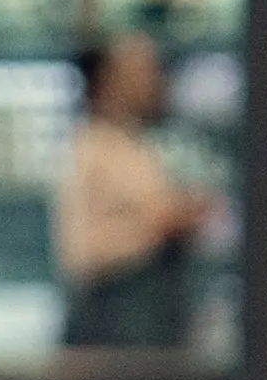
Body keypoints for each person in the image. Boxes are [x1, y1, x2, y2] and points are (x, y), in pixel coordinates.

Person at [57, 28, 216, 351]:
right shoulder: (92, 147)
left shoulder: (135, 144)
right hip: (114, 314)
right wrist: (168, 223)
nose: (152, 84)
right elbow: (85, 248)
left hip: (150, 309)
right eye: (138, 75)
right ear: (107, 82)